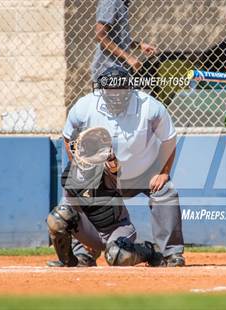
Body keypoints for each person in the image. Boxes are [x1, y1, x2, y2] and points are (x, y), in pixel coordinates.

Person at [63, 66, 185, 267]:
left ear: (130, 89)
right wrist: (80, 166)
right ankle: (83, 253)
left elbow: (169, 139)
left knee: (165, 191)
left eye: (120, 89)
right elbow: (68, 137)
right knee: (77, 191)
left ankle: (170, 253)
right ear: (101, 90)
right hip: (102, 173)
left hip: (143, 171)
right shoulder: (85, 106)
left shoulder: (149, 107)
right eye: (110, 90)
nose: (115, 94)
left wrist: (162, 172)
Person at [46, 128, 164, 267]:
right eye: (85, 147)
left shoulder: (106, 168)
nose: (87, 150)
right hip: (91, 232)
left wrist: (112, 161)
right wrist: (83, 242)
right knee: (58, 217)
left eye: (91, 146)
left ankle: (149, 251)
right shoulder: (70, 176)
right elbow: (71, 211)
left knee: (117, 256)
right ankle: (73, 259)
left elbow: (118, 176)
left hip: (117, 228)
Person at [91, 0, 157, 80]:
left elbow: (117, 39)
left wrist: (140, 46)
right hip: (107, 70)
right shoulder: (111, 2)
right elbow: (100, 36)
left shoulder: (122, 3)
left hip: (118, 69)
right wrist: (129, 58)